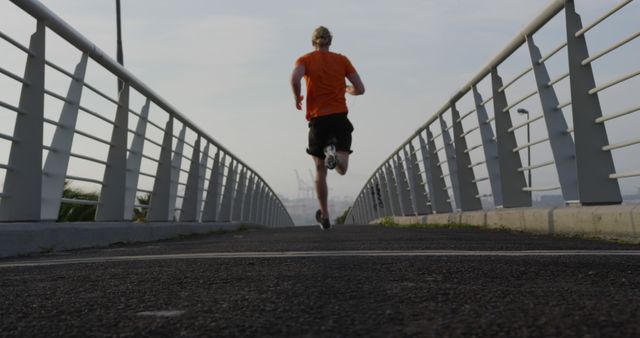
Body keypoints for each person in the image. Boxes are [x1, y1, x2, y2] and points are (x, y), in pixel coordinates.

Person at [290, 26, 365, 230]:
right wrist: (348, 90)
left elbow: (295, 78)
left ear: (313, 42)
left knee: (319, 170)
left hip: (317, 121)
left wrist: (297, 96)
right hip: (339, 118)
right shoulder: (342, 60)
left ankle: (324, 215)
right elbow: (361, 88)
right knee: (342, 169)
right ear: (330, 42)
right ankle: (335, 156)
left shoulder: (304, 60)